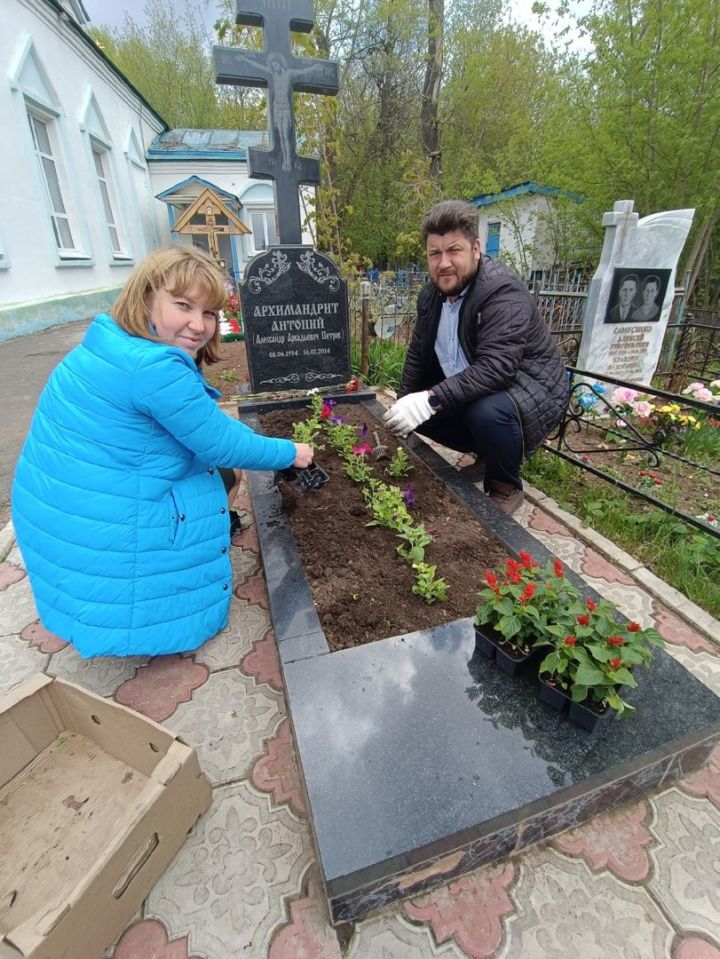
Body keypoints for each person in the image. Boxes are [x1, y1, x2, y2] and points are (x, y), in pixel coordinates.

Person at [12, 246, 313, 659]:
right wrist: (290, 452)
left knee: (224, 474)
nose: (199, 324)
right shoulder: (154, 369)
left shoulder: (111, 343)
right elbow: (220, 441)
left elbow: (201, 426)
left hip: (63, 512)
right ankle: (176, 606)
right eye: (183, 305)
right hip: (106, 530)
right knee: (221, 472)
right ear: (146, 297)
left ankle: (210, 535)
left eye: (208, 312)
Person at [383, 199, 569, 515]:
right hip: (477, 387)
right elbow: (418, 353)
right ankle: (488, 453)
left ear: (476, 249)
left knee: (486, 413)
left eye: (453, 250)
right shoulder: (431, 295)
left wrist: (429, 399)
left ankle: (505, 486)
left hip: (530, 391)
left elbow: (498, 369)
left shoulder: (501, 291)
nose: (444, 263)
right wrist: (405, 407)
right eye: (434, 253)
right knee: (420, 410)